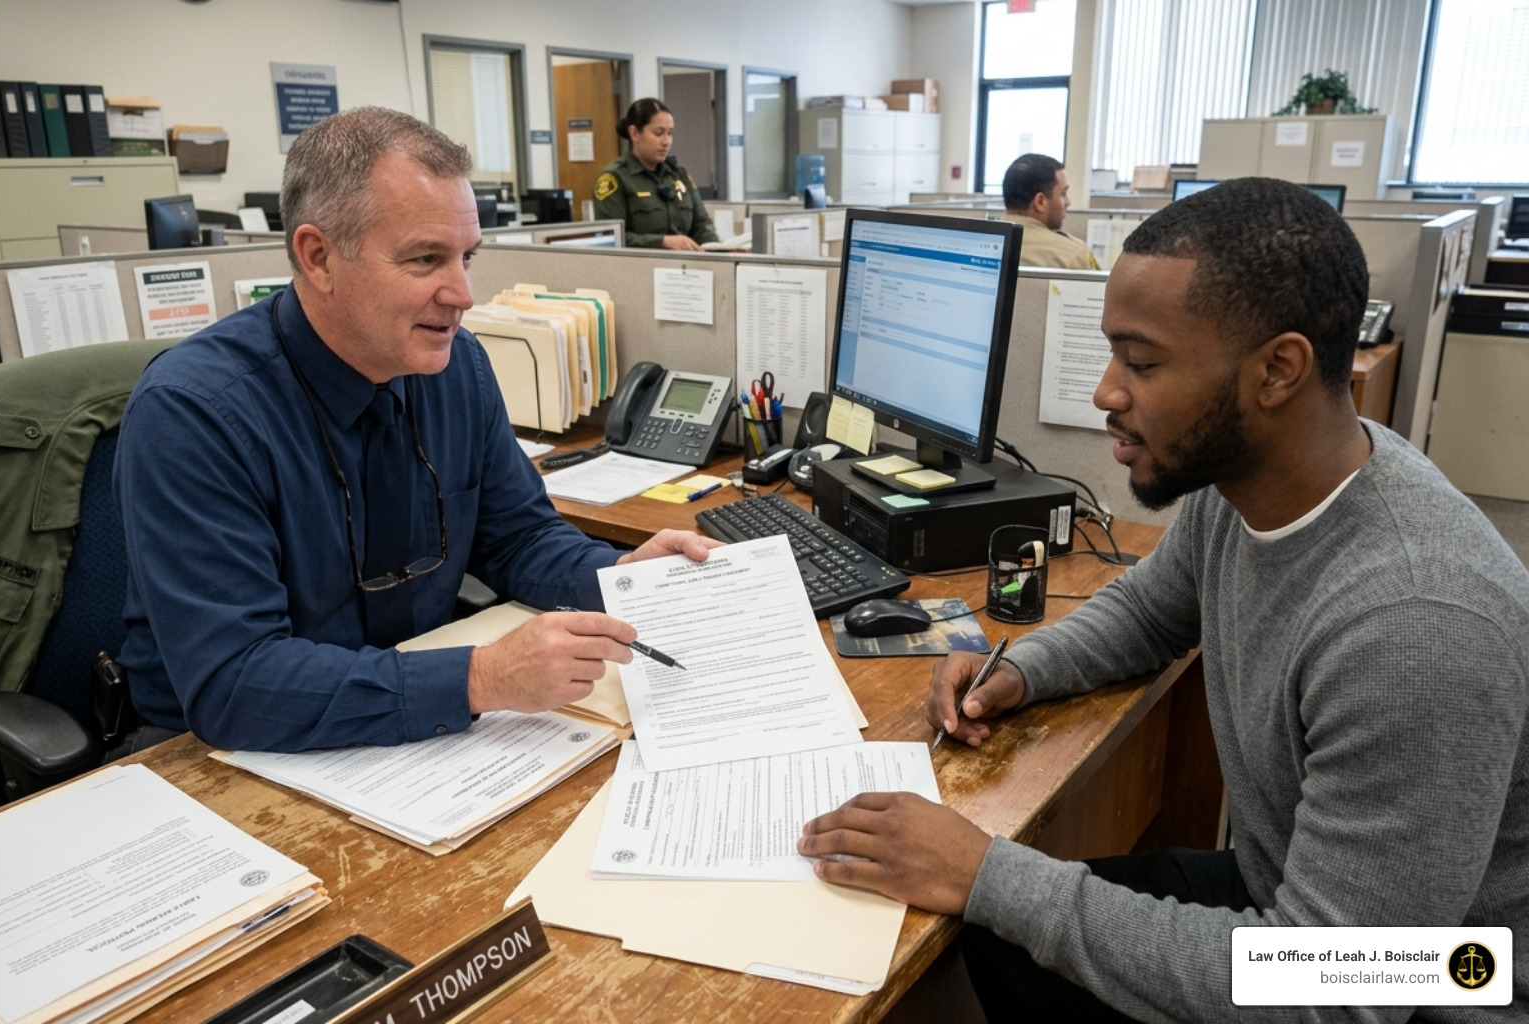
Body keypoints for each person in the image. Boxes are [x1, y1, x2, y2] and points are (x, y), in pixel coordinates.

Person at [798, 177, 1529, 1021]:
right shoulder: (1252, 482)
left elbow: (1341, 987)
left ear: (1278, 371)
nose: (1107, 391)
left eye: (1142, 362)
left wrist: (985, 871)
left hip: (1425, 984)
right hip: (1293, 896)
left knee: (1001, 909)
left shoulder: (1416, 628)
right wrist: (1022, 671)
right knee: (999, 936)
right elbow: (1151, 609)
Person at [115, 107, 719, 754]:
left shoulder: (457, 366)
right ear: (318, 257)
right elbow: (235, 684)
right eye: (426, 259)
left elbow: (517, 538)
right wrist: (482, 677)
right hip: (214, 756)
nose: (462, 293)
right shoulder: (196, 412)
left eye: (466, 257)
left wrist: (619, 572)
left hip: (405, 731)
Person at [593, 98, 718, 251]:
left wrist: (719, 250)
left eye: (670, 133)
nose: (666, 142)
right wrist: (662, 241)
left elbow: (702, 224)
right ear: (634, 133)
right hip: (639, 268)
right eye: (658, 133)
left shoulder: (678, 174)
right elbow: (611, 238)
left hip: (684, 269)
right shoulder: (615, 178)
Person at [1001, 152, 1099, 270]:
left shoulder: (978, 241)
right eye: (1063, 194)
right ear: (1040, 202)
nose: (1068, 202)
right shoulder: (1073, 254)